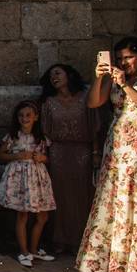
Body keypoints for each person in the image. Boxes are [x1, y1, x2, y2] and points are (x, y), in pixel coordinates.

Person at [77, 37, 137, 272]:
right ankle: (115, 264)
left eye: (128, 57)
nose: (124, 62)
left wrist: (125, 85)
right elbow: (93, 103)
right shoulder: (114, 78)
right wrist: (100, 78)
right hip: (116, 148)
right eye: (119, 59)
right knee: (115, 201)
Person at [39, 64, 99, 254]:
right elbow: (44, 131)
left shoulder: (85, 98)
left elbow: (96, 127)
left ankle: (80, 240)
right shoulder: (49, 102)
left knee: (82, 195)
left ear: (69, 75)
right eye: (50, 76)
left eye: (57, 73)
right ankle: (60, 239)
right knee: (59, 196)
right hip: (58, 153)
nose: (53, 77)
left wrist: (96, 153)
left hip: (83, 151)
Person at [0, 100, 57, 268]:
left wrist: (42, 158)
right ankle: (23, 251)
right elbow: (1, 155)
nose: (25, 118)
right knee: (22, 214)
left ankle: (33, 249)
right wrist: (17, 156)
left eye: (28, 115)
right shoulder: (13, 137)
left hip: (37, 179)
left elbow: (48, 157)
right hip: (20, 178)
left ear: (36, 117)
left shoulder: (41, 138)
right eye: (21, 115)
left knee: (42, 216)